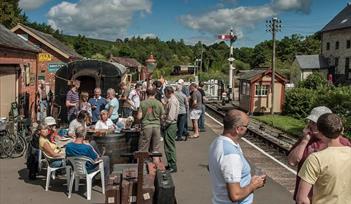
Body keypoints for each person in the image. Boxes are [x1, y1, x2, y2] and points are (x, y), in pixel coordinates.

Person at [288, 106, 351, 202]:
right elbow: (292, 161)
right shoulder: (307, 139)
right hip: (306, 196)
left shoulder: (343, 143)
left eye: (314, 123)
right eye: (310, 122)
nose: (310, 125)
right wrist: (305, 140)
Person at [208, 110, 265, 204]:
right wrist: (253, 185)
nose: (248, 129)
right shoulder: (231, 155)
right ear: (238, 129)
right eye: (247, 126)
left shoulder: (217, 142)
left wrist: (247, 180)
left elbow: (216, 169)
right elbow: (235, 195)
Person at [137, 88, 165, 154]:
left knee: (143, 148)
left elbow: (139, 117)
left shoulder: (143, 103)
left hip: (146, 126)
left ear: (147, 94)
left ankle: (143, 163)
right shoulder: (159, 103)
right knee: (156, 149)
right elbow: (162, 117)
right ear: (155, 94)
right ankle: (155, 163)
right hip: (156, 126)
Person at [163, 86, 179, 173]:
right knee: (169, 145)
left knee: (169, 146)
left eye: (165, 93)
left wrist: (165, 124)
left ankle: (172, 165)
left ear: (167, 92)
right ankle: (171, 164)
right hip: (171, 124)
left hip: (170, 125)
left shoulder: (172, 101)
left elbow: (171, 117)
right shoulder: (172, 100)